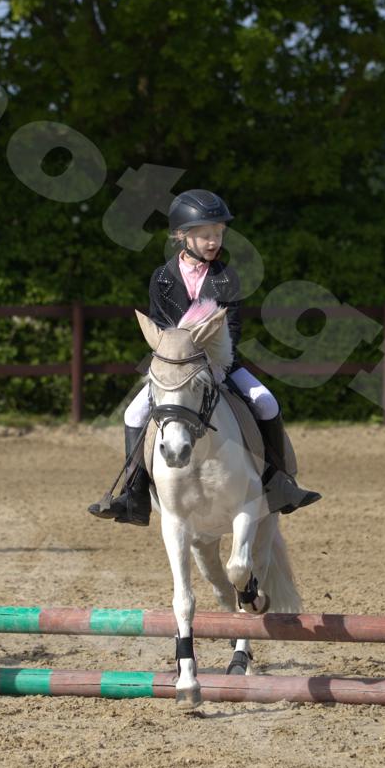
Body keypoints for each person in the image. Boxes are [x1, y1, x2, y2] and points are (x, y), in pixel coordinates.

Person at [88, 189, 321, 526]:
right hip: (175, 368)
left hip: (220, 363)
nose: (214, 241)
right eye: (205, 235)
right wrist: (177, 363)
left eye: (218, 234)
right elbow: (161, 327)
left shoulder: (227, 277)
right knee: (133, 414)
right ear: (182, 236)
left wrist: (216, 364)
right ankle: (132, 494)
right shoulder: (162, 278)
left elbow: (233, 326)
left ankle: (279, 483)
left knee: (266, 402)